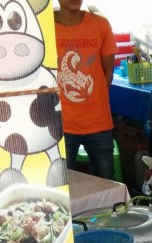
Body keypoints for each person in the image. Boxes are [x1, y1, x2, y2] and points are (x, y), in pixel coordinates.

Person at [54, 0, 117, 180]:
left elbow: (108, 71)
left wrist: (93, 99)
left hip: (98, 123)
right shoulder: (45, 27)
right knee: (64, 187)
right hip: (60, 125)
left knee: (107, 185)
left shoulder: (100, 24)